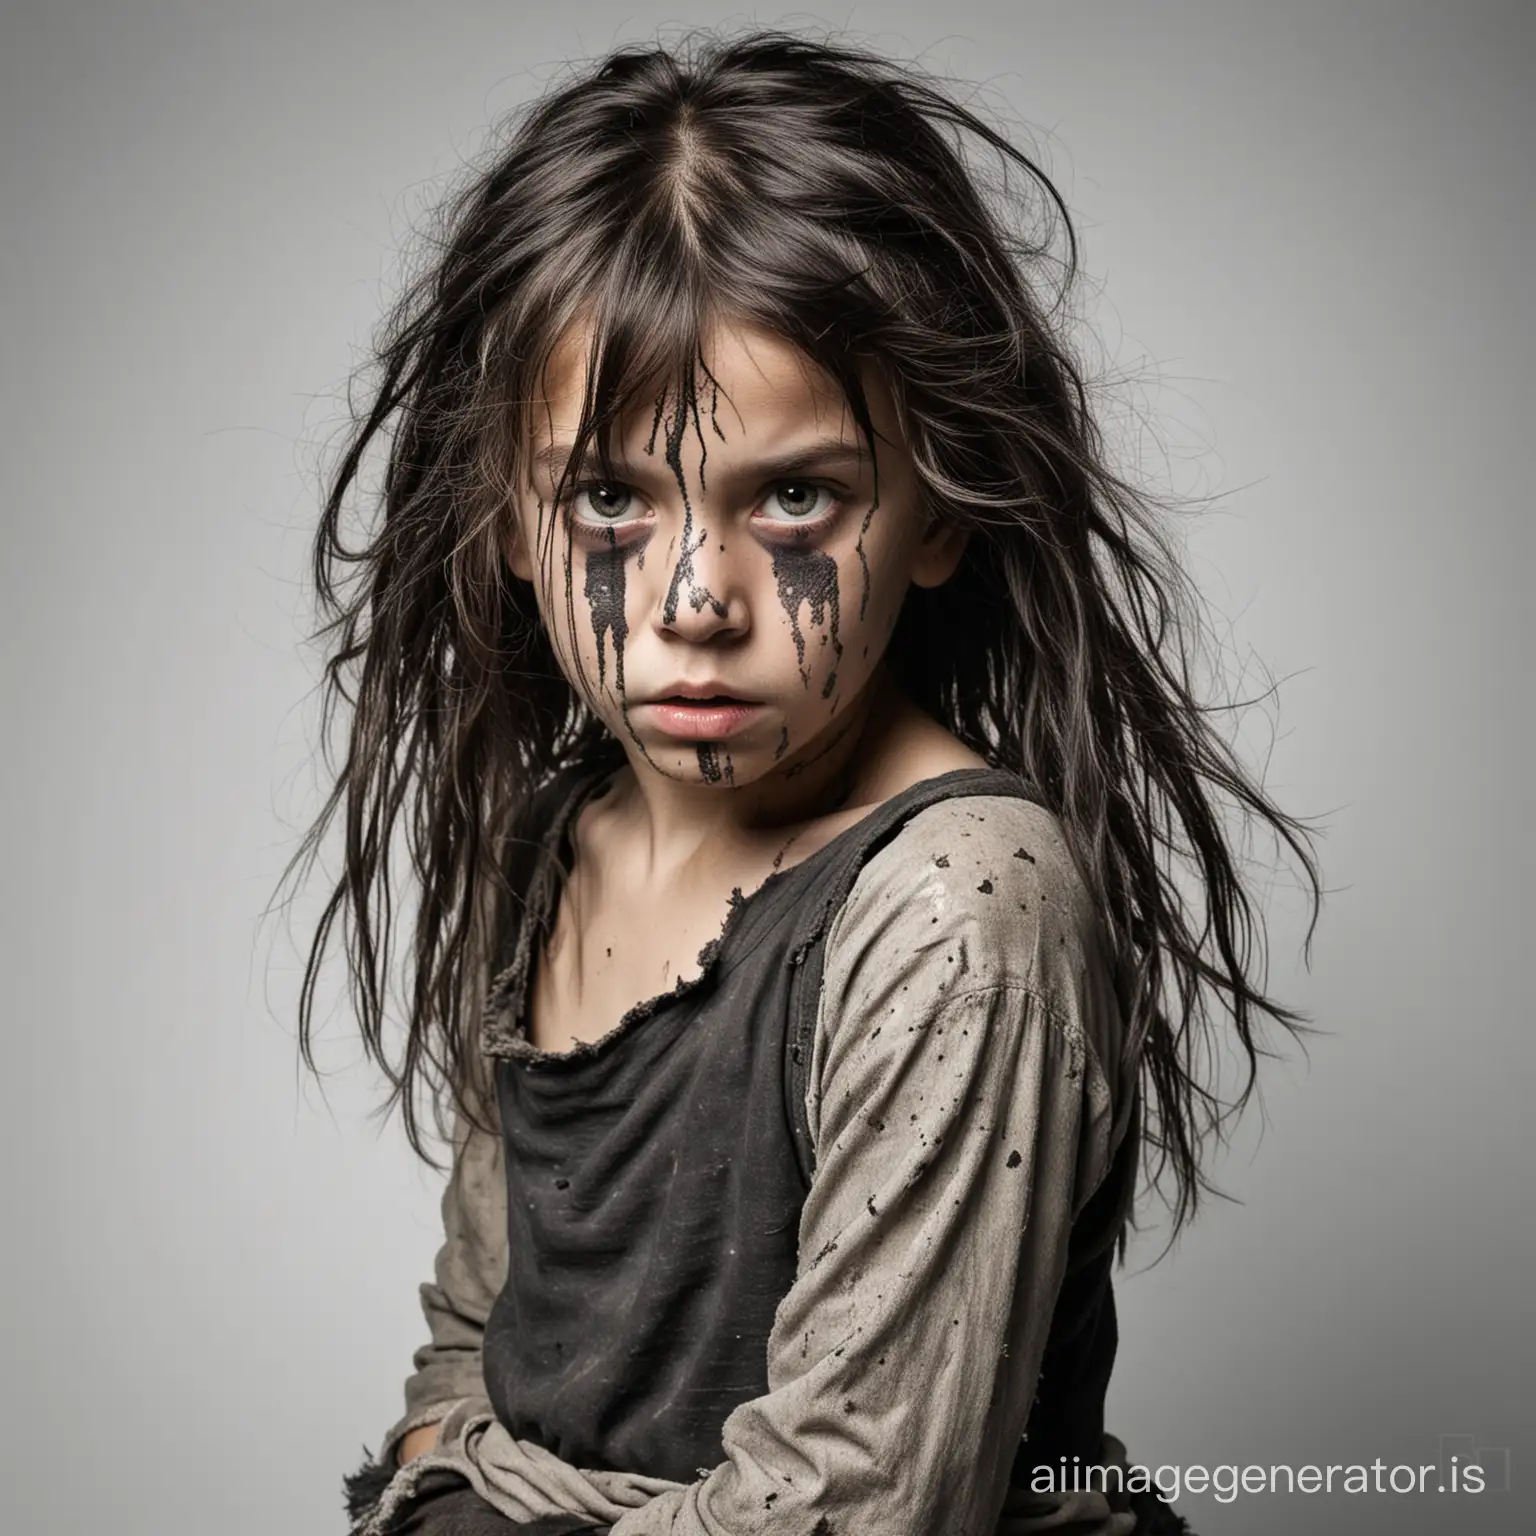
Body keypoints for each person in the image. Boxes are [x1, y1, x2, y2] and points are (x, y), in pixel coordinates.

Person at [287, 29, 1320, 1536]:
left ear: (939, 510)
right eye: (607, 498)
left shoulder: (960, 906)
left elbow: (850, 1508)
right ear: (504, 517)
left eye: (793, 495)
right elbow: (474, 1357)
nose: (698, 595)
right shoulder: (558, 834)